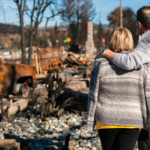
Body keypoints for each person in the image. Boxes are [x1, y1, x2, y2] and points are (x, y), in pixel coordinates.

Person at [95, 6, 150, 150]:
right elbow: (145, 93)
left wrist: (90, 120)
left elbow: (93, 92)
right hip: (132, 119)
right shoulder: (141, 65)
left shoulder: (100, 62)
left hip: (106, 119)